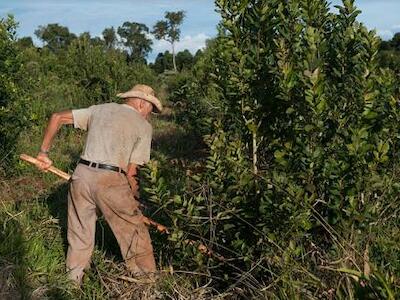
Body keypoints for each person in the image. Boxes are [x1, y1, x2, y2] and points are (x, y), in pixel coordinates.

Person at [35, 84, 162, 284]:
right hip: (111, 180)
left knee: (80, 233)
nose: (150, 114)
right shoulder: (143, 126)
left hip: (81, 176)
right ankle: (147, 282)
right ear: (141, 103)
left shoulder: (99, 109)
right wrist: (136, 200)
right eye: (150, 109)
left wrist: (43, 154)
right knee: (134, 231)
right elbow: (132, 172)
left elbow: (56, 117)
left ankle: (71, 282)